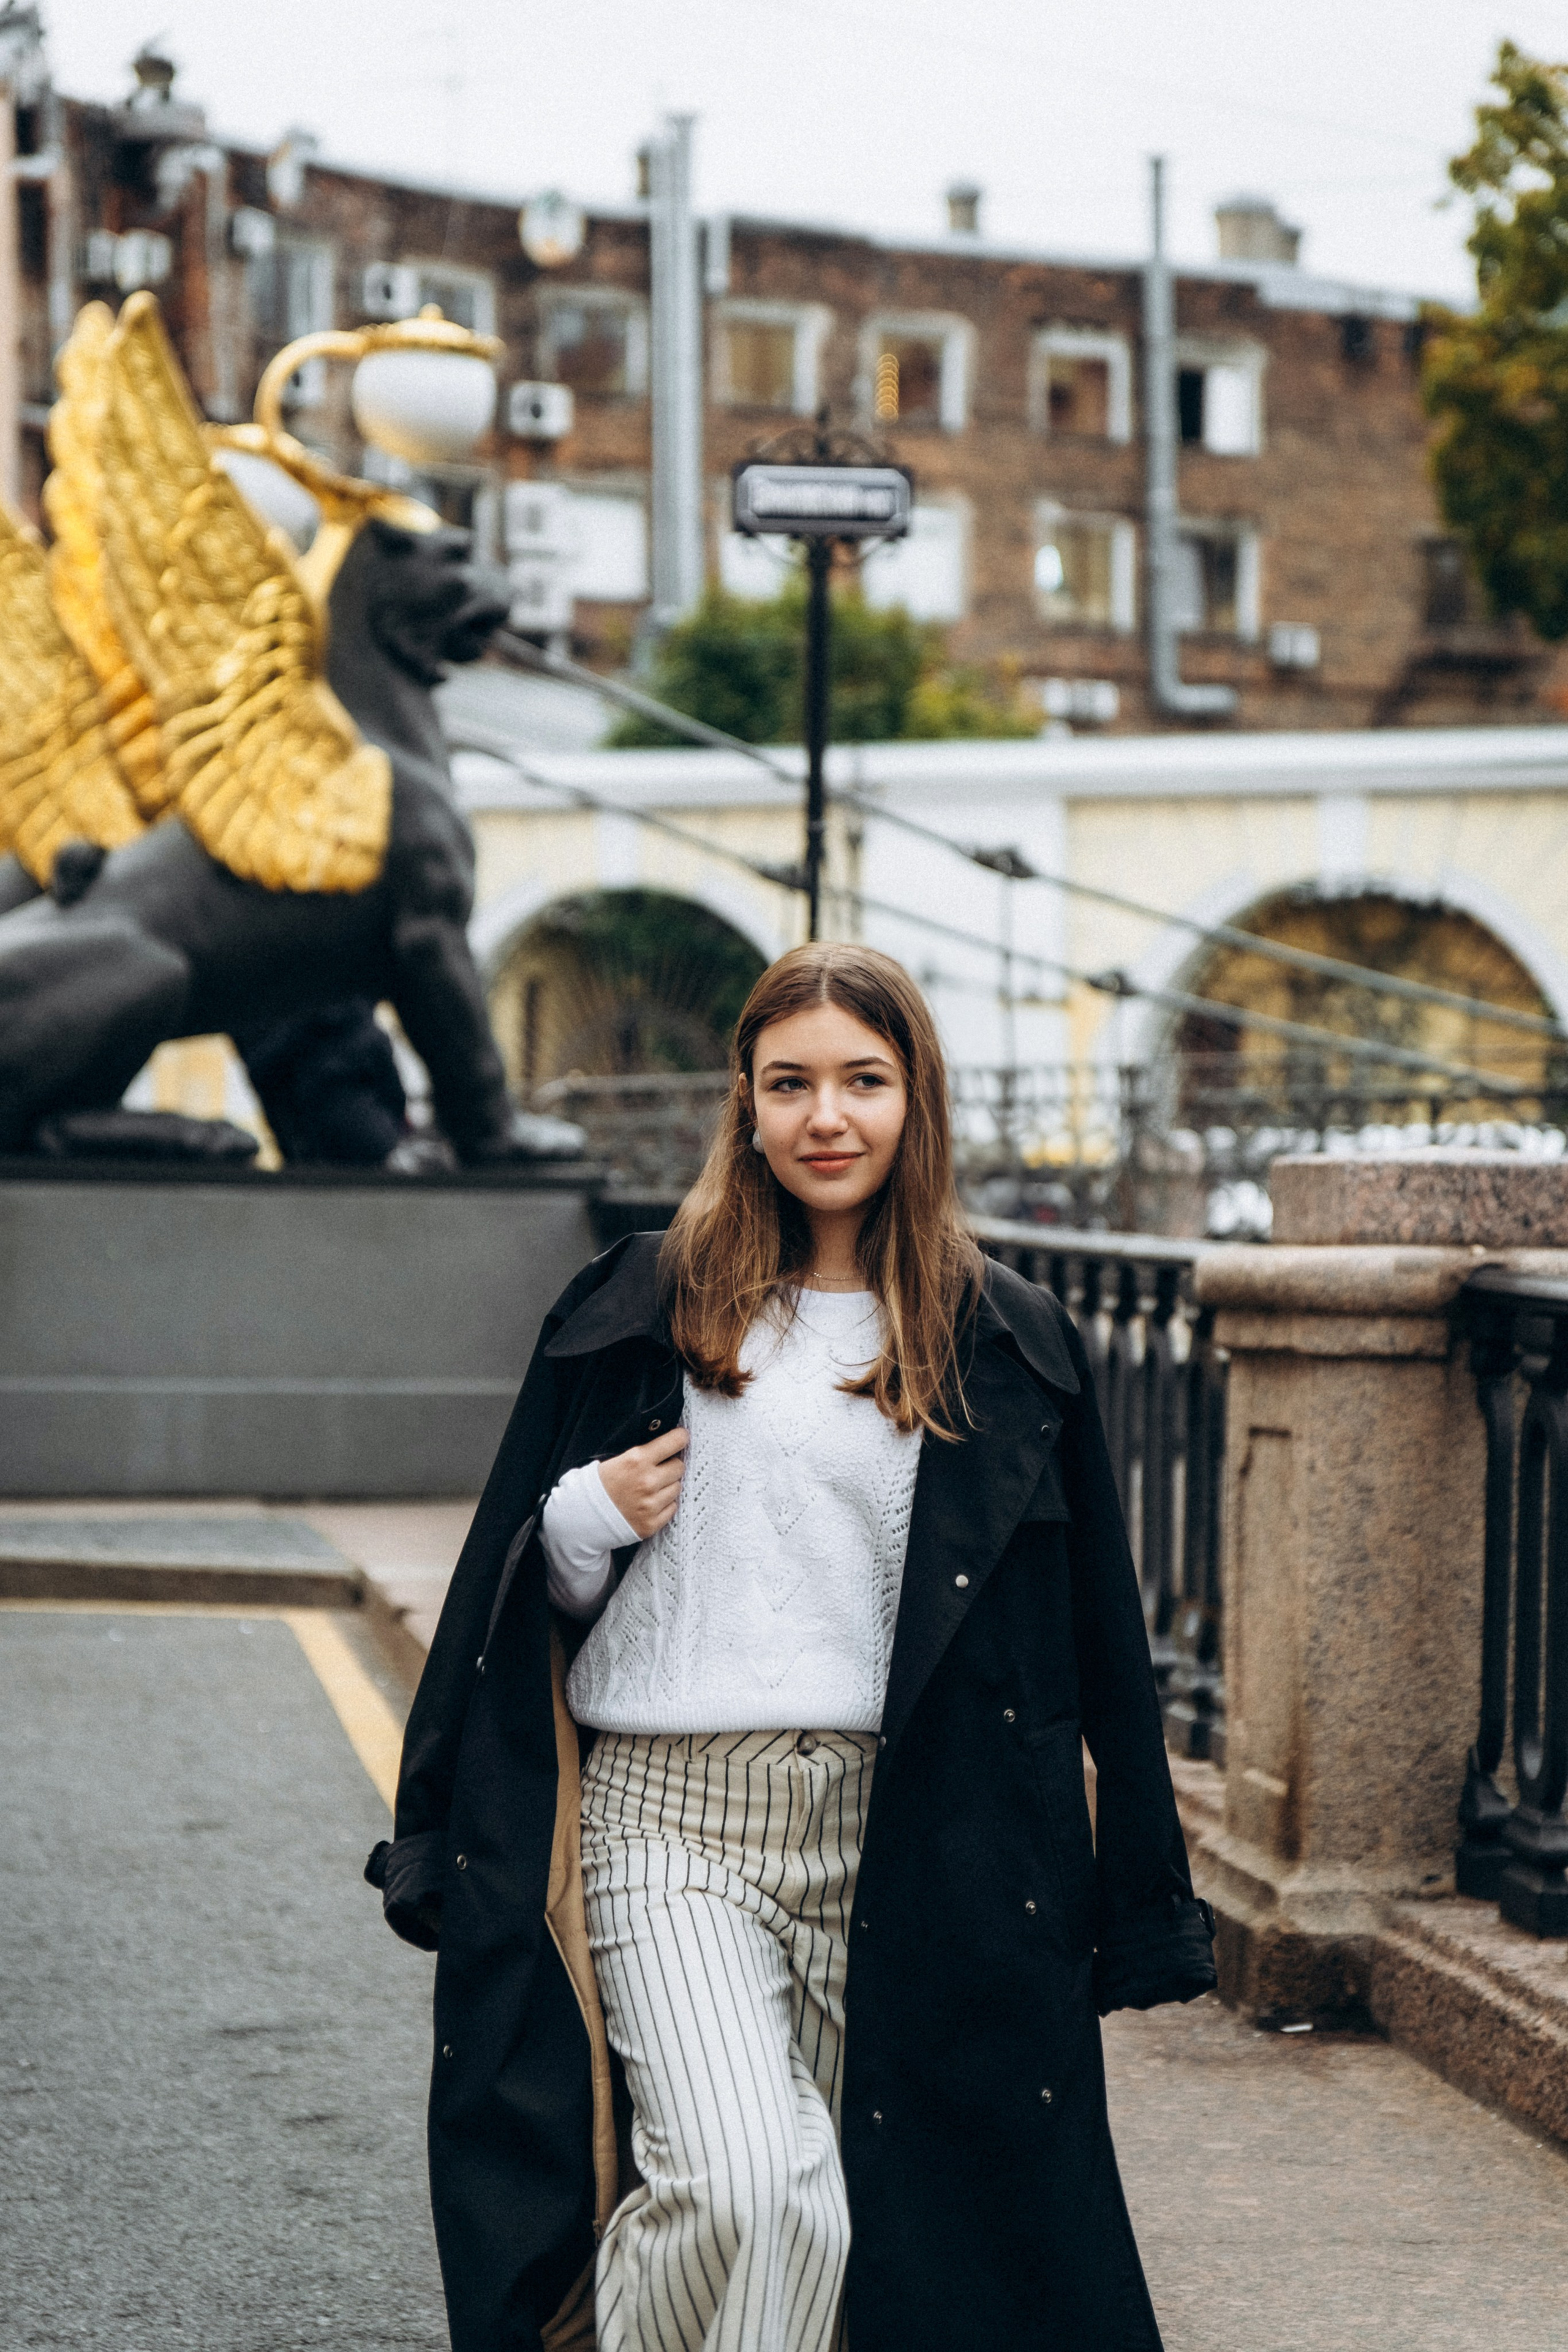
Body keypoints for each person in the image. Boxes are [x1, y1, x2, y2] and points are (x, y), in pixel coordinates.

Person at [368, 941, 1216, 2352]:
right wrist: (583, 1521)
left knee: (868, 2237)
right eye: (790, 1083)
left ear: (914, 1101)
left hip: (903, 1840)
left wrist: (1134, 1902)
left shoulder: (1007, 1341)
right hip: (671, 1822)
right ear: (744, 1105)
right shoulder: (642, 1304)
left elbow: (1094, 1656)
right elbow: (505, 1593)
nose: (827, 1116)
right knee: (756, 2192)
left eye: (863, 1082)